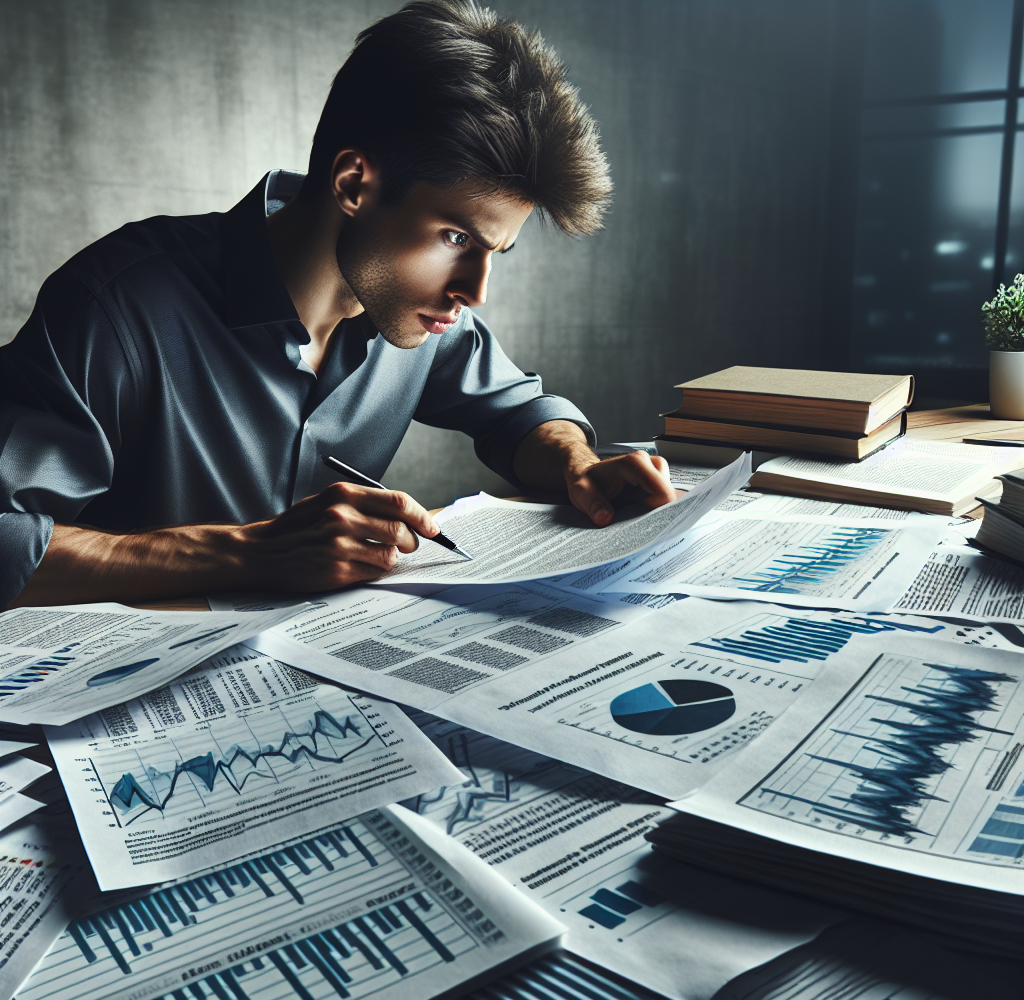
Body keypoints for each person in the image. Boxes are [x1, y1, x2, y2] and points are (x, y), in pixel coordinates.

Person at [0, 0, 674, 609]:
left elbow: (521, 414)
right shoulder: (116, 307)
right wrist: (250, 551)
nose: (474, 291)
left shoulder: (421, 314)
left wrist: (574, 462)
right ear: (355, 183)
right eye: (455, 237)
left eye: (496, 251)